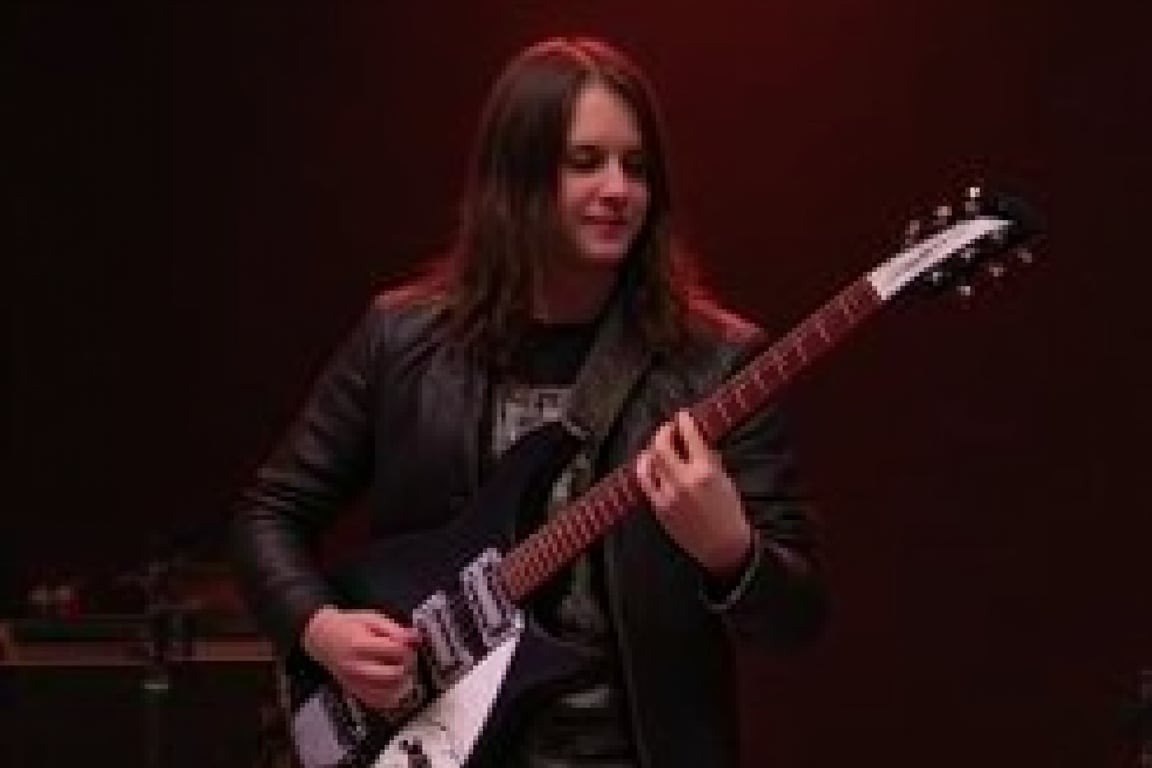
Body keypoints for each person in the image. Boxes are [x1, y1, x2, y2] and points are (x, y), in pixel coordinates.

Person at [231, 37, 826, 768]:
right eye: (585, 162)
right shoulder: (403, 340)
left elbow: (795, 621)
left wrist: (730, 552)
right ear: (515, 177)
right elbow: (269, 513)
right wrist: (319, 627)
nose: (618, 188)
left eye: (636, 167)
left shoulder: (717, 365)